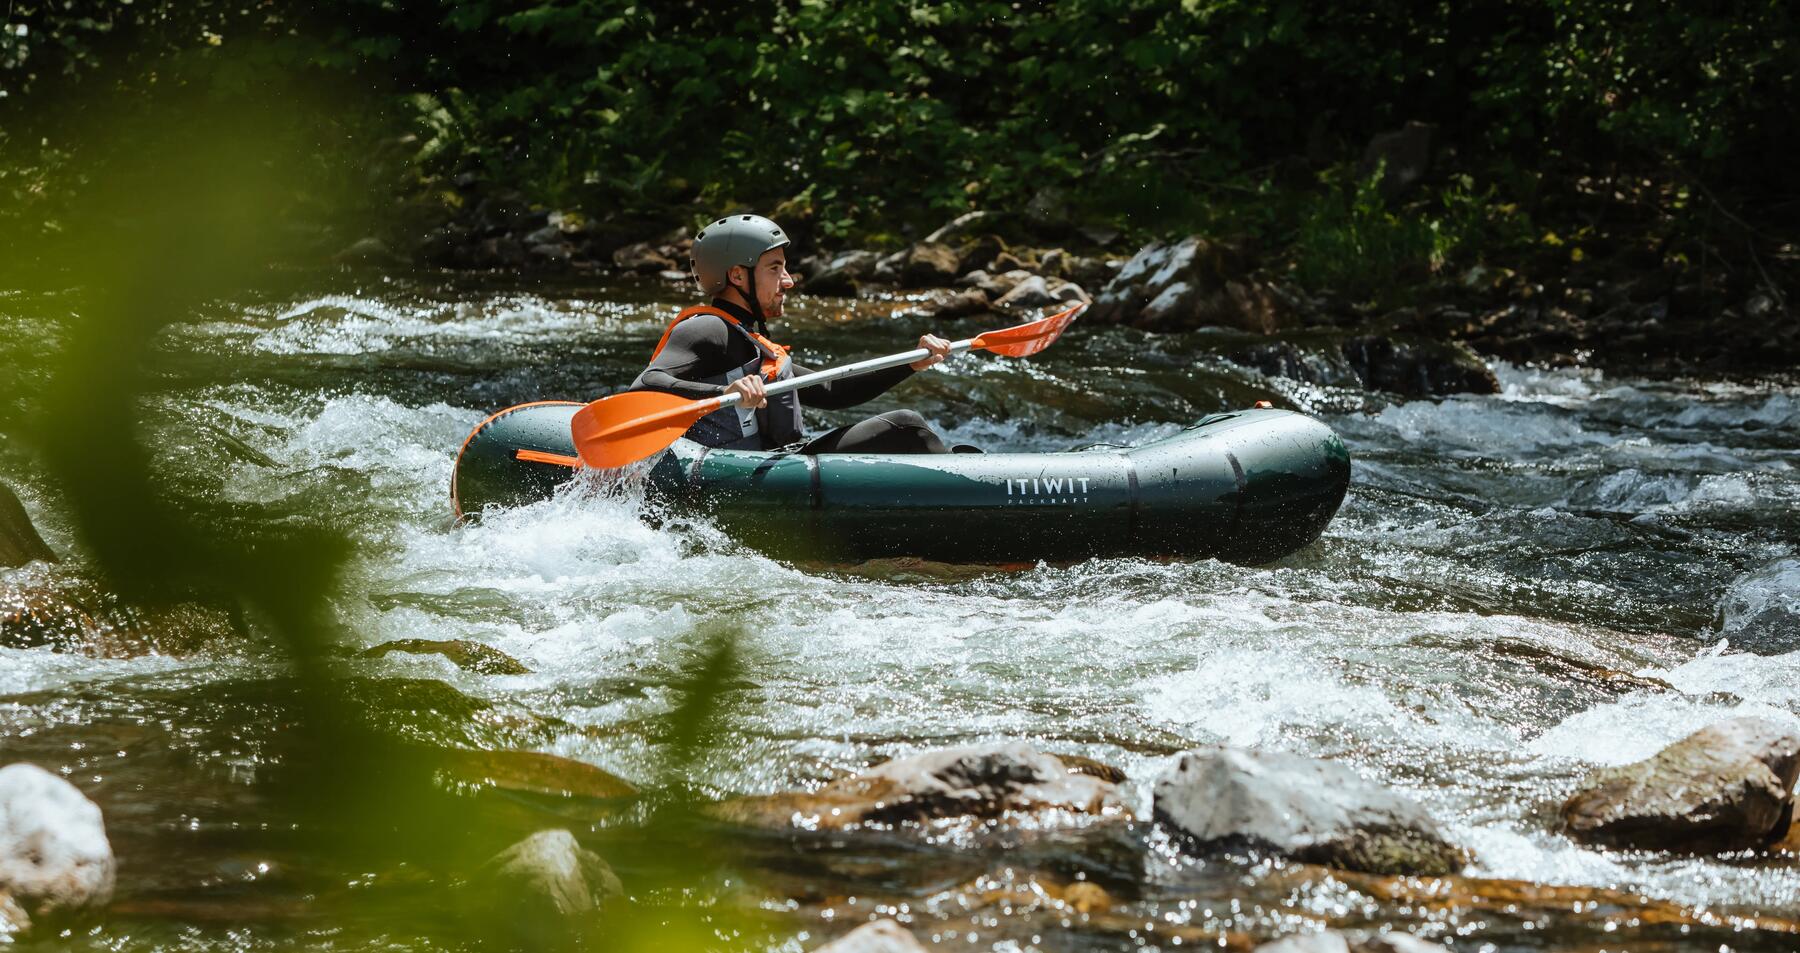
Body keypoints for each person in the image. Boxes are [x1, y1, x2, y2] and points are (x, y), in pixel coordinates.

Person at [628, 213, 958, 454]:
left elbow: (831, 391)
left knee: (905, 429)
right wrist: (721, 392)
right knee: (906, 425)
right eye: (775, 268)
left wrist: (911, 363)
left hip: (782, 462)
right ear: (737, 276)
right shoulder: (706, 328)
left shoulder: (754, 344)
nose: (789, 281)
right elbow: (648, 382)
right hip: (743, 480)